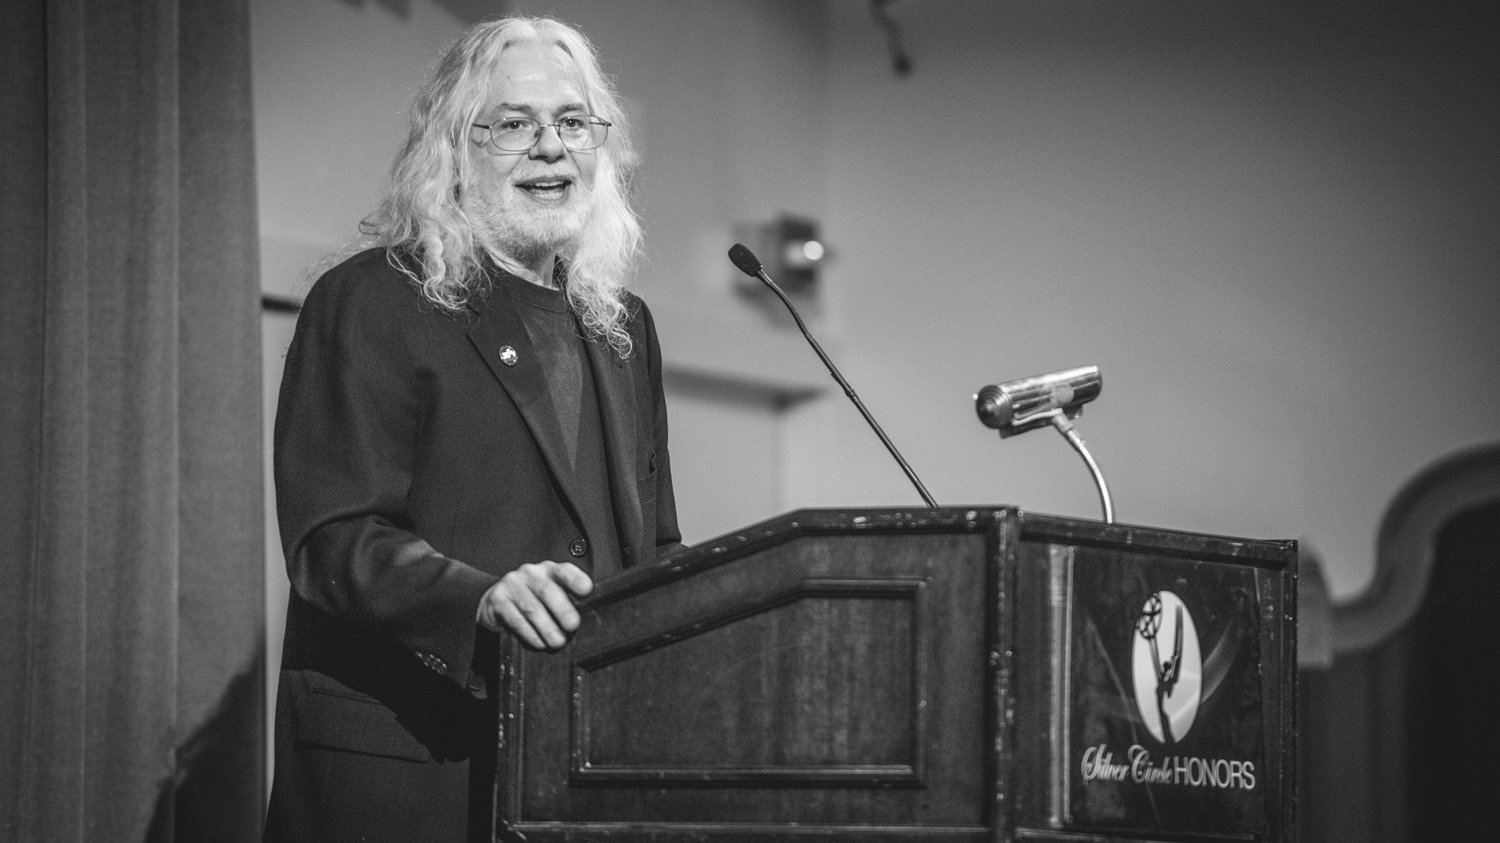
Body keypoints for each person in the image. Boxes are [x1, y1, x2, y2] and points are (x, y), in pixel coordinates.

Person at [264, 16, 683, 842]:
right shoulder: (375, 299)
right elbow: (334, 537)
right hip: (413, 766)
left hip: (577, 771)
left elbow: (659, 550)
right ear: (455, 147)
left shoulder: (621, 325)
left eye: (572, 123)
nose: (550, 148)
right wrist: (479, 598)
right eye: (515, 125)